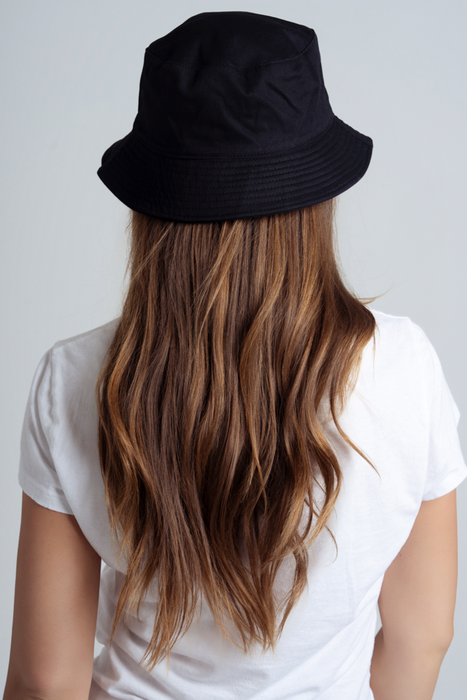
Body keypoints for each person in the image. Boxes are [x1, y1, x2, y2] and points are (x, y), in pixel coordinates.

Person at [3, 11, 466, 700]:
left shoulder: (75, 381)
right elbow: (421, 637)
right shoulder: (405, 367)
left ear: (153, 206)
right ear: (315, 196)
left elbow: (46, 680)